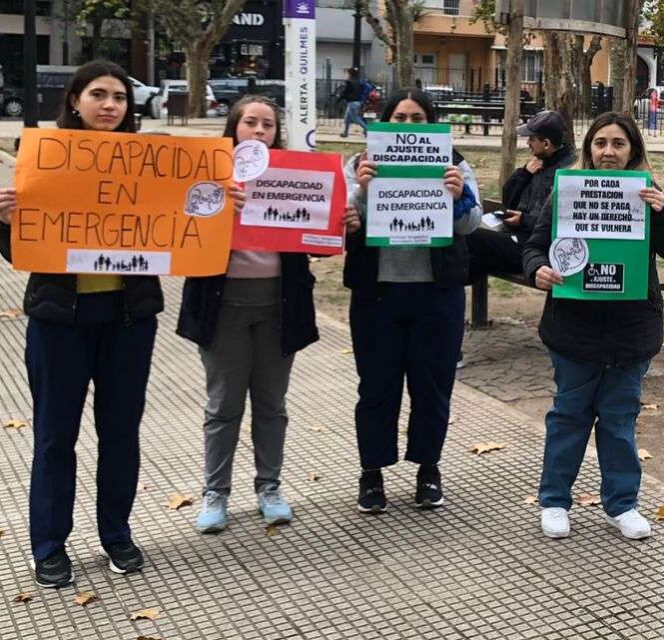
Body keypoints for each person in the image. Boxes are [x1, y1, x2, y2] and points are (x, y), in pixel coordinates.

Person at [0, 61, 241, 588]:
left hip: (128, 321)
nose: (110, 105)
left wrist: (223, 206)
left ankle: (117, 535)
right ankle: (49, 545)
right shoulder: (42, 162)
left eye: (119, 97)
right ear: (74, 101)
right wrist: (5, 218)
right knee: (54, 437)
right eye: (98, 94)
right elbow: (21, 250)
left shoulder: (150, 163)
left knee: (120, 434)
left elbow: (187, 220)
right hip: (58, 322)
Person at [178, 96, 361, 534]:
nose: (259, 131)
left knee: (271, 404)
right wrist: (217, 209)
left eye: (268, 125)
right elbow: (179, 237)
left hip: (279, 304)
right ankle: (215, 493)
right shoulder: (207, 178)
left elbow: (316, 238)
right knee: (223, 404)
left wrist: (342, 222)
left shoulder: (297, 175)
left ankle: (270, 488)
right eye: (250, 123)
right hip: (221, 306)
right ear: (233, 129)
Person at [523, 112, 664, 541]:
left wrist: (663, 210)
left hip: (630, 332)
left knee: (619, 421)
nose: (608, 152)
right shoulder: (568, 189)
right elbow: (536, 247)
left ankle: (622, 504)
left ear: (633, 150)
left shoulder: (647, 193)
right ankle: (555, 501)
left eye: (618, 144)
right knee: (568, 418)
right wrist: (538, 269)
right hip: (573, 329)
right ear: (588, 149)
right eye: (601, 143)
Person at [345, 89, 482, 513]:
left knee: (433, 388)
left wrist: (458, 195)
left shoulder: (455, 164)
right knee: (376, 388)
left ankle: (428, 469)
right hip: (377, 293)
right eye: (399, 118)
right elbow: (344, 220)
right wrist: (364, 191)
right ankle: (372, 473)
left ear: (431, 123)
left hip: (436, 294)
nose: (407, 126)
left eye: (417, 118)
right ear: (384, 123)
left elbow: (471, 224)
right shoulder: (356, 165)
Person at [467, 110, 576, 278]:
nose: (528, 143)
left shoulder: (568, 173)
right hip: (517, 237)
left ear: (546, 143)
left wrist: (524, 220)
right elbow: (508, 199)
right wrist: (524, 174)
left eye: (532, 139)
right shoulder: (538, 164)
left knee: (471, 238)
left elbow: (564, 225)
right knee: (472, 258)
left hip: (536, 249)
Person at [340, 67, 369, 138]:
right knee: (347, 118)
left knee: (355, 118)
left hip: (352, 102)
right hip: (358, 102)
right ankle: (345, 133)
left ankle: (368, 130)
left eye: (348, 73)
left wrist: (340, 98)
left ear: (350, 73)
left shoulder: (349, 81)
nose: (347, 74)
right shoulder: (359, 81)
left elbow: (345, 92)